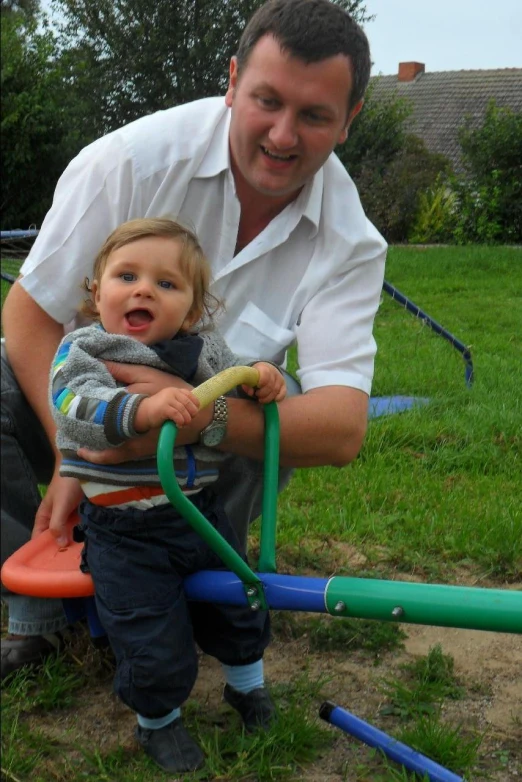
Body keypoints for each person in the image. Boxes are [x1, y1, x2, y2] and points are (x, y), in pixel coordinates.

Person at [1, 0, 387, 681]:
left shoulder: (351, 242)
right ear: (233, 81)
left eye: (315, 115)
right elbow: (30, 318)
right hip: (85, 389)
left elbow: (339, 427)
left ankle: (186, 582)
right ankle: (39, 591)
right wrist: (75, 451)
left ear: (350, 120)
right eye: (266, 100)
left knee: (281, 400)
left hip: (200, 450)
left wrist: (191, 412)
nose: (282, 134)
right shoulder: (129, 161)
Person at [49, 216, 284, 772]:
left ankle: (246, 686)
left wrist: (258, 376)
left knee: (239, 605)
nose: (143, 290)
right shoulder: (82, 348)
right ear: (97, 290)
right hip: (123, 532)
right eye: (126, 275)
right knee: (152, 642)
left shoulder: (203, 350)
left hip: (197, 515)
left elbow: (238, 388)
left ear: (193, 310)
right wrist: (140, 409)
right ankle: (157, 722)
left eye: (167, 284)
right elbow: (73, 408)